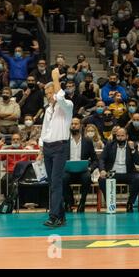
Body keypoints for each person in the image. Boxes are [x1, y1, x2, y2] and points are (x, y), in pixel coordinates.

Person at [38, 68, 74, 228]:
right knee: (52, 183)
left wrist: (55, 79)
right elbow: (44, 130)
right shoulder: (47, 110)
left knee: (56, 182)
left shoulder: (67, 106)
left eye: (50, 92)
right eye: (46, 94)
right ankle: (61, 215)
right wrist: (40, 149)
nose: (49, 95)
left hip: (60, 147)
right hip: (48, 148)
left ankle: (54, 216)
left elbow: (60, 97)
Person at [99, 128, 139, 213]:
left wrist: (133, 150)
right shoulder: (110, 145)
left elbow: (138, 162)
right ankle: (110, 203)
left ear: (127, 136)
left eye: (122, 136)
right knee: (102, 180)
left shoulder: (132, 145)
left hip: (128, 172)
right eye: (118, 136)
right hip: (113, 172)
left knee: (138, 179)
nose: (120, 138)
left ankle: (130, 203)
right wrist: (102, 170)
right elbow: (102, 159)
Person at [63, 117, 98, 213]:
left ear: (81, 126)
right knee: (62, 179)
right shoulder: (64, 141)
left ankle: (82, 203)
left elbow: (95, 159)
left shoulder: (87, 141)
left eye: (76, 124)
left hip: (83, 171)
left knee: (87, 177)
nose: (73, 125)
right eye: (72, 124)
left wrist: (90, 168)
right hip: (68, 171)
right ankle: (69, 202)